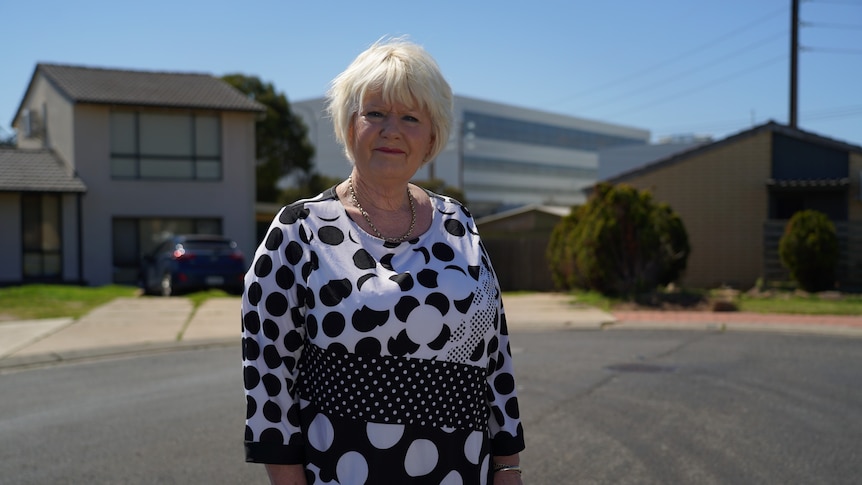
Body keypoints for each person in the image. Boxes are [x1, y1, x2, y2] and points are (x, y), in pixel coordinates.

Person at [241, 36, 525, 485]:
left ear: (432, 135)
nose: (392, 129)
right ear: (348, 123)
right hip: (344, 471)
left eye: (411, 117)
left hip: (460, 471)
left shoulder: (459, 223)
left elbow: (496, 359)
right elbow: (268, 379)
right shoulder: (299, 231)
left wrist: (507, 465)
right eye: (375, 113)